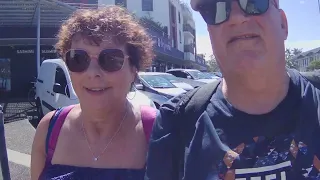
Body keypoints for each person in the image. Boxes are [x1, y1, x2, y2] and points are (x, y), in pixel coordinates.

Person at [145, 0, 320, 179]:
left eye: (253, 2)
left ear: (283, 23)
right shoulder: (175, 123)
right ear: (210, 33)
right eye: (217, 9)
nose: (236, 18)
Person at [31, 6, 156, 180]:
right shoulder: (49, 129)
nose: (92, 72)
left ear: (134, 70)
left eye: (111, 59)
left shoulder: (159, 130)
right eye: (78, 59)